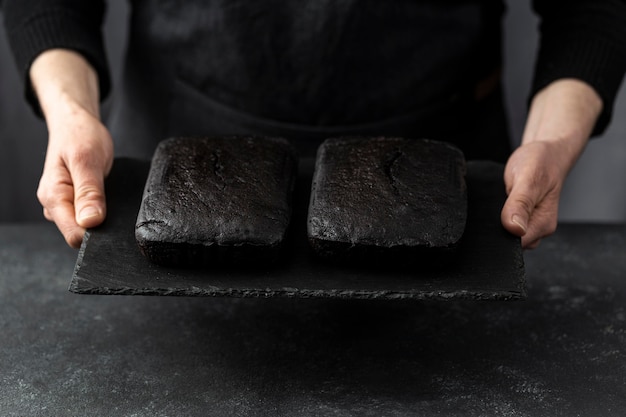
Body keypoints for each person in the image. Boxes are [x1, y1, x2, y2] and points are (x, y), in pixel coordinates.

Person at [3, 0, 625, 250]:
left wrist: (551, 139)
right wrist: (71, 111)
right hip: (178, 157)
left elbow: (593, 10)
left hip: (440, 165)